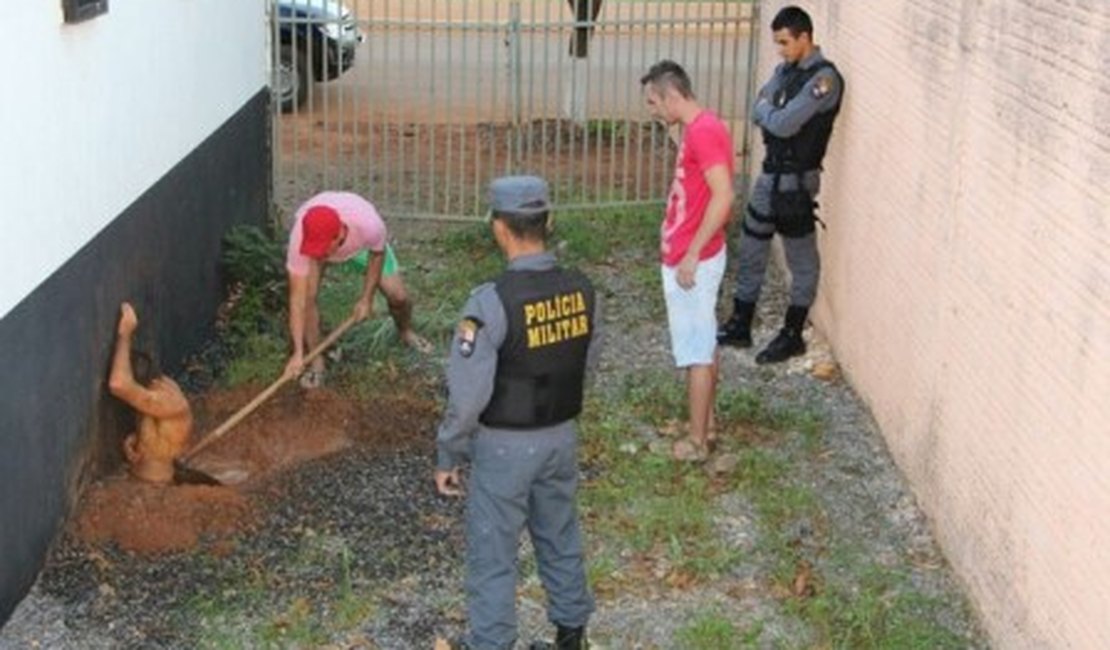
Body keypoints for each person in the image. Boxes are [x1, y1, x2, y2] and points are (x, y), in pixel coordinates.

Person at [435, 176, 597, 650]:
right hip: (561, 436)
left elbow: (466, 398)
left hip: (504, 447)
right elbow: (588, 360)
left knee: (494, 553)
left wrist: (449, 454)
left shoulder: (489, 303)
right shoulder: (583, 290)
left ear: (498, 228)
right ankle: (571, 637)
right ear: (548, 221)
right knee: (560, 535)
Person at [717, 5, 843, 364]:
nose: (782, 51)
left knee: (801, 258)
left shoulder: (824, 80)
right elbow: (761, 102)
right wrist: (770, 114)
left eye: (786, 43)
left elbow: (784, 123)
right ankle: (741, 322)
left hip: (796, 184)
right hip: (769, 177)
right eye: (778, 44)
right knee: (752, 246)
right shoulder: (784, 71)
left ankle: (793, 332)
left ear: (805, 37)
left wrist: (768, 114)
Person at [641, 60, 735, 462]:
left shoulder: (705, 132)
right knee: (703, 341)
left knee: (696, 351)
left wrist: (693, 254)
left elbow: (724, 195)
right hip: (685, 254)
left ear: (672, 95)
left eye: (653, 101)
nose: (652, 110)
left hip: (692, 261)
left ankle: (697, 443)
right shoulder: (695, 131)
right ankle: (705, 423)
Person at [283, 191, 432, 387]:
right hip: (320, 240)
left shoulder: (369, 225)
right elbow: (298, 300)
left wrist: (366, 299)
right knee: (308, 298)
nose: (318, 254)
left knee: (399, 297)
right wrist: (298, 352)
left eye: (322, 249)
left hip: (361, 248)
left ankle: (405, 331)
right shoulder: (301, 239)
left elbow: (376, 256)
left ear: (338, 235)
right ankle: (316, 361)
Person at [108, 302, 194, 484]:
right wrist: (136, 438)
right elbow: (155, 423)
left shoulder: (168, 401)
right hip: (140, 478)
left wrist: (125, 334)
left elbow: (118, 384)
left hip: (157, 485)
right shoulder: (153, 393)